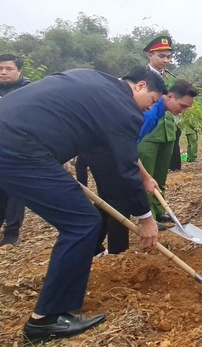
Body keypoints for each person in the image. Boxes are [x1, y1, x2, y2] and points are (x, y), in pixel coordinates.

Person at [0, 67, 164, 342]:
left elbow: (57, 111)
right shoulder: (124, 109)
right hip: (18, 147)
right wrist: (145, 217)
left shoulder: (91, 77)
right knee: (83, 223)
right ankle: (47, 318)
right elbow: (125, 169)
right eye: (154, 100)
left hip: (15, 136)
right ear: (140, 86)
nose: (150, 109)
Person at [87, 79, 198, 255]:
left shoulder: (157, 112)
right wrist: (144, 179)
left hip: (109, 149)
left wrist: (147, 177)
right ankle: (119, 252)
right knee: (119, 201)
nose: (183, 111)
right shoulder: (149, 113)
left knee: (109, 200)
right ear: (169, 96)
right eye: (182, 105)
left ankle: (91, 246)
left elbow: (128, 147)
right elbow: (128, 150)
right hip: (102, 151)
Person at [138, 35, 179, 225]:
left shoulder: (168, 77)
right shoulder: (142, 77)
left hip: (167, 131)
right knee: (147, 176)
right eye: (162, 56)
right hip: (148, 134)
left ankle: (159, 209)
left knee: (161, 174)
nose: (166, 60)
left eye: (168, 57)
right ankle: (148, 217)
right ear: (150, 55)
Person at [0, 54, 31, 246]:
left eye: (8, 69)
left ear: (19, 71)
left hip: (18, 148)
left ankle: (12, 232)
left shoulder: (28, 90)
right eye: (0, 69)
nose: (3, 72)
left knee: (15, 192)